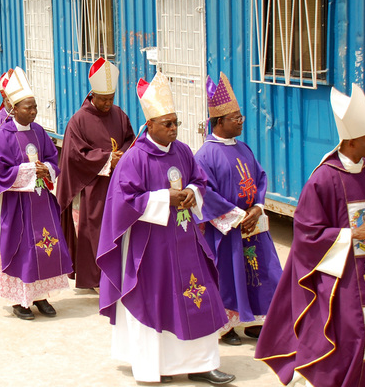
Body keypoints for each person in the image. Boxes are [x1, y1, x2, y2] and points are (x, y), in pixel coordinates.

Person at [97, 72, 235, 385]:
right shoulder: (134, 158)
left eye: (176, 123)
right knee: (156, 301)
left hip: (187, 240)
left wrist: (192, 193)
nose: (173, 129)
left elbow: (200, 181)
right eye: (167, 124)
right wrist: (165, 198)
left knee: (201, 296)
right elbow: (123, 202)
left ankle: (202, 364)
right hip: (152, 248)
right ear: (149, 125)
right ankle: (155, 367)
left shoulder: (183, 151)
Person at [255, 84, 365, 386]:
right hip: (341, 278)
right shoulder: (324, 179)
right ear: (350, 141)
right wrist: (351, 235)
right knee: (352, 335)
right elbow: (307, 236)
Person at [0, 67, 73, 320]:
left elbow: (52, 158)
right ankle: (20, 301)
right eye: (28, 107)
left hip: (39, 201)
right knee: (23, 248)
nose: (33, 111)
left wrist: (47, 168)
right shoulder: (1, 136)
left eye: (35, 107)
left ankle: (40, 296)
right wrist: (30, 171)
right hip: (15, 204)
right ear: (14, 109)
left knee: (43, 246)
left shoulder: (39, 131)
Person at [194, 73, 282, 346]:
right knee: (227, 274)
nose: (242, 121)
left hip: (252, 225)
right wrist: (237, 217)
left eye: (241, 117)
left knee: (262, 272)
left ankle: (256, 320)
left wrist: (257, 207)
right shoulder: (205, 155)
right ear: (219, 122)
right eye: (236, 118)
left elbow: (260, 178)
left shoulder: (243, 148)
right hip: (227, 228)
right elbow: (204, 192)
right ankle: (226, 326)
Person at [57, 58, 135, 290]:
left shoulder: (119, 115)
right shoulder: (79, 120)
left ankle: (120, 275)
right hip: (94, 187)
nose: (107, 104)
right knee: (95, 231)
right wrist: (108, 158)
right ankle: (97, 280)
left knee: (120, 229)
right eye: (103, 99)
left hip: (119, 183)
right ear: (92, 95)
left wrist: (123, 153)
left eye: (111, 99)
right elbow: (74, 154)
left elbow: (130, 139)